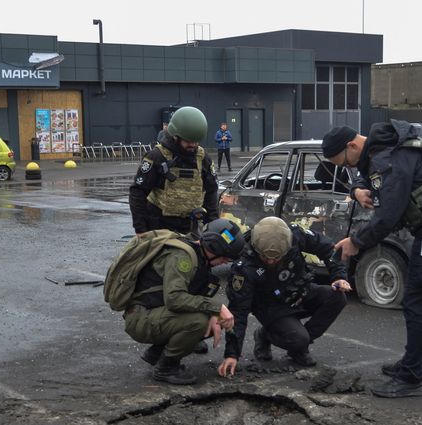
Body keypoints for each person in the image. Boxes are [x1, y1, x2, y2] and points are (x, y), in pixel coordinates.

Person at [322, 120, 422, 398]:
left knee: (419, 296)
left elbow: (388, 214)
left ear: (352, 145)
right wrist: (357, 190)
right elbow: (371, 177)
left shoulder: (391, 157)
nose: (349, 168)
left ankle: (411, 376)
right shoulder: (382, 149)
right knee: (421, 296)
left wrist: (356, 242)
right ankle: (411, 363)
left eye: (346, 162)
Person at [219, 217, 351, 377]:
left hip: (300, 291)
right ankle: (265, 335)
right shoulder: (244, 266)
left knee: (337, 297)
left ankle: (298, 348)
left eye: (277, 258)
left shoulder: (295, 235)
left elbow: (329, 249)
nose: (271, 261)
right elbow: (238, 312)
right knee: (298, 339)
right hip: (272, 307)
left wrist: (338, 276)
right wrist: (232, 354)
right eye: (266, 258)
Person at [123, 219, 245, 385]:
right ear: (214, 248)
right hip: (140, 318)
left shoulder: (197, 256)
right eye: (225, 257)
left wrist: (213, 312)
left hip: (154, 313)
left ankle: (156, 353)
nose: (225, 262)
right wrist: (216, 307)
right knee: (199, 322)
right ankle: (165, 368)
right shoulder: (182, 258)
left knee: (212, 320)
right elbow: (175, 299)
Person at [129, 106, 218, 236]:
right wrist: (141, 229)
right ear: (176, 136)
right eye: (188, 141)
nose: (193, 145)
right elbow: (138, 192)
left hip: (191, 227)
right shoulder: (157, 156)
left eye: (196, 141)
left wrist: (211, 227)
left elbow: (211, 192)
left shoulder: (203, 158)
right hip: (159, 227)